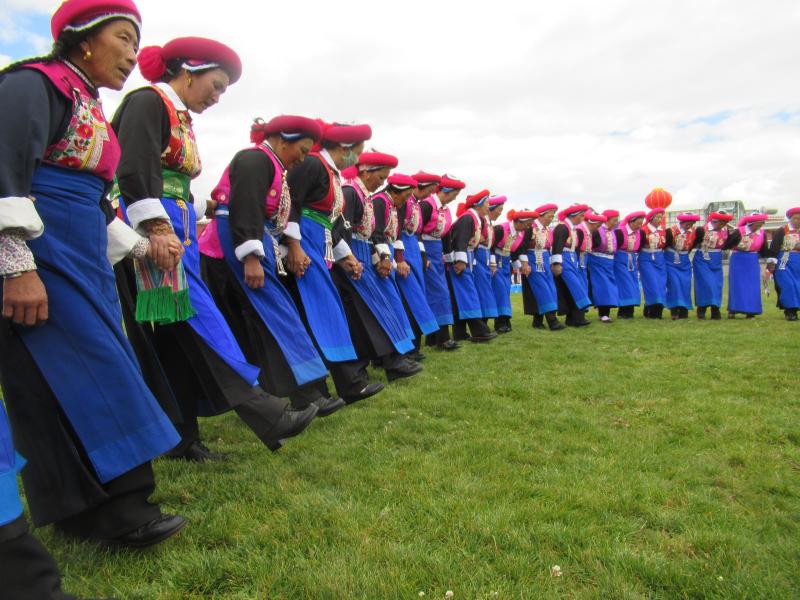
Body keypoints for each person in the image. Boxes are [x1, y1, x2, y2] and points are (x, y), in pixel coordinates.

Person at [0, 0, 186, 546]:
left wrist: (135, 246)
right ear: (82, 37)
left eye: (135, 43)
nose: (132, 54)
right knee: (72, 370)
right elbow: (5, 171)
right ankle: (115, 510)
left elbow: (95, 197)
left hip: (80, 253)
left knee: (96, 365)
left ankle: (92, 510)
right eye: (123, 38)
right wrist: (14, 266)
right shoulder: (32, 85)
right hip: (43, 252)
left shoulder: (86, 102)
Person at [112, 38, 317, 460]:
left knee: (174, 335)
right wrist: (155, 227)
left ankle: (181, 439)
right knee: (201, 321)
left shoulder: (176, 114)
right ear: (189, 69)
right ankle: (266, 412)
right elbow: (134, 167)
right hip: (156, 234)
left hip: (174, 232)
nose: (217, 96)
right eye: (216, 84)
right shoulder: (148, 102)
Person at [198, 116, 345, 417]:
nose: (303, 157)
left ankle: (300, 395)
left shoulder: (275, 166)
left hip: (253, 241)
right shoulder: (255, 159)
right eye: (302, 150)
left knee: (274, 318)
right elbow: (246, 205)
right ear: (282, 140)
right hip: (234, 247)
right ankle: (295, 396)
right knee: (269, 319)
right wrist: (251, 256)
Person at [285, 121, 386, 401]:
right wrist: (293, 245)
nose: (359, 157)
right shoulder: (315, 165)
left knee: (327, 312)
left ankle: (343, 383)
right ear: (346, 148)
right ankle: (326, 387)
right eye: (359, 150)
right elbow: (291, 202)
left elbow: (331, 222)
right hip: (305, 241)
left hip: (320, 242)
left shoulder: (330, 172)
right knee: (317, 312)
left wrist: (345, 256)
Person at [395, 172, 440, 355]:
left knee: (418, 295)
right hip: (404, 249)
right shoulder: (403, 202)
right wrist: (400, 258)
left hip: (414, 248)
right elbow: (396, 228)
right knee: (408, 297)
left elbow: (419, 233)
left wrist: (423, 257)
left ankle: (416, 344)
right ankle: (409, 345)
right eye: (428, 190)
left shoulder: (417, 205)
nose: (429, 194)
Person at [420, 174, 466, 350]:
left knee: (440, 293)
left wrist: (449, 258)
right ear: (448, 191)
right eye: (456, 193)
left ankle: (435, 337)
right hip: (425, 251)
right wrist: (423, 256)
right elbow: (417, 231)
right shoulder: (427, 205)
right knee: (438, 294)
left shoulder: (445, 210)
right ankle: (442, 338)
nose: (456, 197)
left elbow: (446, 236)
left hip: (437, 253)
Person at [448, 190, 498, 342]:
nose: (489, 207)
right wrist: (461, 261)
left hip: (467, 258)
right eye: (487, 204)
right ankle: (479, 331)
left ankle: (460, 333)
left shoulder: (475, 219)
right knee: (468, 294)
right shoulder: (468, 218)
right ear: (478, 204)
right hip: (460, 260)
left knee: (461, 296)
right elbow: (460, 240)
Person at [491, 208, 537, 333]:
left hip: (506, 262)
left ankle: (505, 319)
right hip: (495, 260)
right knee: (500, 290)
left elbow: (516, 252)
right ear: (518, 222)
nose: (527, 228)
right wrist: (492, 263)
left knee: (505, 290)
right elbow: (490, 247)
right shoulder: (500, 229)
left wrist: (520, 266)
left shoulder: (522, 234)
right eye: (527, 224)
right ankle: (500, 322)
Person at [522, 203, 565, 330]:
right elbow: (522, 246)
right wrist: (524, 263)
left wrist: (553, 263)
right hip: (533, 259)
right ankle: (552, 320)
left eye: (553, 216)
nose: (551, 218)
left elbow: (550, 248)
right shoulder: (531, 227)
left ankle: (537, 320)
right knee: (542, 289)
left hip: (545, 260)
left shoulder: (548, 230)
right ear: (541, 216)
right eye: (549, 216)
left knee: (550, 288)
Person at [551, 204, 592, 326]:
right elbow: (557, 246)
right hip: (564, 259)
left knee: (571, 289)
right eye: (581, 215)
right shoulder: (562, 228)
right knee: (575, 287)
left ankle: (573, 318)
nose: (582, 218)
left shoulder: (573, 229)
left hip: (572, 260)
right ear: (573, 215)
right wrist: (557, 263)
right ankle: (577, 317)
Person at [726, 213, 772, 318]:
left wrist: (769, 258)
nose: (759, 227)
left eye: (761, 225)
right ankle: (733, 309)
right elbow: (728, 244)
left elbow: (764, 250)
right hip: (738, 259)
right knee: (736, 285)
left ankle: (751, 311)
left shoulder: (762, 233)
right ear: (750, 223)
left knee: (752, 286)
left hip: (752, 261)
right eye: (757, 225)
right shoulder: (739, 231)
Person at [693, 211, 733, 320]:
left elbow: (727, 244)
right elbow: (694, 243)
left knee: (717, 285)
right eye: (722, 222)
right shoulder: (702, 229)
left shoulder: (726, 230)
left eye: (725, 222)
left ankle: (715, 309)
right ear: (715, 221)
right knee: (706, 284)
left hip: (716, 259)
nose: (724, 225)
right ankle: (702, 308)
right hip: (703, 258)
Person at [471, 195, 504, 326]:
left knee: (486, 289)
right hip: (478, 255)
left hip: (485, 256)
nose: (500, 213)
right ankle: (481, 323)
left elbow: (491, 246)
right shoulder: (480, 221)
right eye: (499, 209)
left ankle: (484, 322)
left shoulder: (489, 223)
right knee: (482, 289)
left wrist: (492, 263)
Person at [665, 213, 701, 319]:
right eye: (687, 223)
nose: (689, 226)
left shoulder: (694, 233)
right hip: (671, 259)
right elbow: (664, 245)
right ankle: (674, 309)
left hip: (684, 260)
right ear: (681, 222)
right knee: (674, 284)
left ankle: (684, 309)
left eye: (691, 224)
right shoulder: (671, 231)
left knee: (685, 284)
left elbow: (693, 245)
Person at [587, 212, 618, 322]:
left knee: (609, 287)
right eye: (614, 220)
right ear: (607, 220)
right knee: (603, 287)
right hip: (597, 262)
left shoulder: (612, 232)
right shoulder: (597, 231)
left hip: (609, 263)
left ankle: (605, 313)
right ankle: (603, 313)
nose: (616, 222)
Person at [770, 207, 800, 321]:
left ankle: (795, 308)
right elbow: (774, 248)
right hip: (784, 261)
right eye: (795, 218)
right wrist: (771, 264)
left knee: (798, 285)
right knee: (788, 285)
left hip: (798, 261)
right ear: (790, 218)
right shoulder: (782, 231)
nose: (798, 221)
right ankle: (790, 310)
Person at [614, 211, 645, 319]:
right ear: (631, 222)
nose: (640, 226)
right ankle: (623, 311)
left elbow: (640, 247)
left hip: (632, 260)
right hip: (620, 260)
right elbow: (614, 247)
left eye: (641, 223)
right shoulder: (619, 232)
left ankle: (630, 310)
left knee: (633, 284)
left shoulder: (640, 233)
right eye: (638, 223)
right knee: (624, 285)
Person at [639, 208, 667, 319]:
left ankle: (657, 310)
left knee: (661, 284)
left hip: (659, 258)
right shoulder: (643, 230)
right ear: (651, 218)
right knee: (651, 283)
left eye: (661, 217)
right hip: (646, 257)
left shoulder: (663, 231)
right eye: (658, 217)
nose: (660, 219)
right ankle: (650, 308)